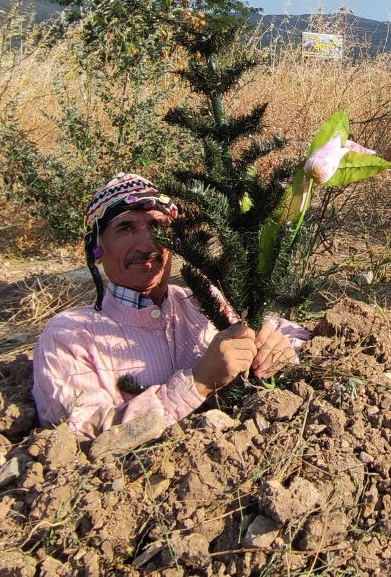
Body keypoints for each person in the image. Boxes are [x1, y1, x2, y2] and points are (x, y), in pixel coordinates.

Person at [33, 173, 307, 438]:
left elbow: (294, 333)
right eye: (125, 228)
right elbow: (78, 432)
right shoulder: (69, 336)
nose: (147, 243)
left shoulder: (202, 300)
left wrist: (278, 345)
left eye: (157, 228)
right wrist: (197, 383)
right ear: (98, 249)